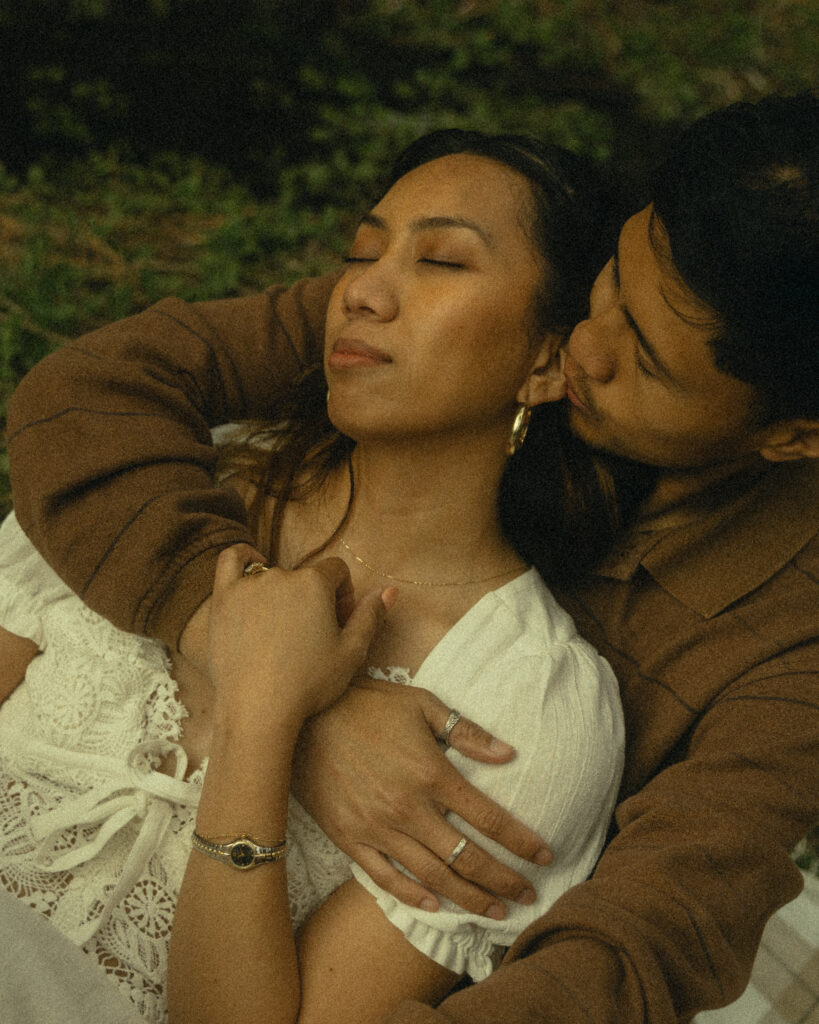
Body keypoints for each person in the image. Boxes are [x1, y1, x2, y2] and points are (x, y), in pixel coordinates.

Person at [5, 91, 819, 1023]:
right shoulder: (227, 452)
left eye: (643, 355)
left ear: (795, 438)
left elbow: (655, 934)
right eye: (608, 286)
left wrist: (270, 712)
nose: (592, 343)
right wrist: (272, 668)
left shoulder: (753, 660)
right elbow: (95, 390)